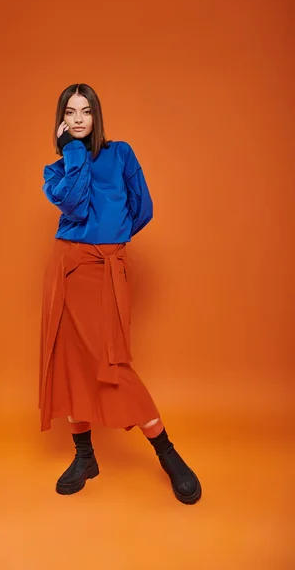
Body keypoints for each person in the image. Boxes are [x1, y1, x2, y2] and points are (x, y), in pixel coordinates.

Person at [39, 83, 202, 504]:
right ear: (60, 120)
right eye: (70, 112)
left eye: (85, 111)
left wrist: (113, 236)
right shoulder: (56, 171)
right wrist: (72, 153)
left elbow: (142, 206)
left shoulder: (121, 153)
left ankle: (166, 453)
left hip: (108, 269)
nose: (78, 119)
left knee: (113, 362)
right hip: (70, 269)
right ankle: (85, 455)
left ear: (97, 116)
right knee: (72, 360)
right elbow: (73, 206)